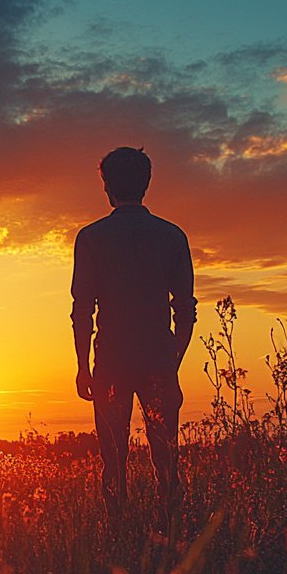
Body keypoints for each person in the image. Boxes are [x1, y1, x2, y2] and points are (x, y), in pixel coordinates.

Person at [70, 146, 197, 524]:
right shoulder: (172, 236)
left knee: (113, 456)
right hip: (158, 358)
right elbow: (185, 310)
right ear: (147, 183)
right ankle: (172, 530)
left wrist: (82, 366)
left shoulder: (91, 237)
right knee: (166, 453)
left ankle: (117, 531)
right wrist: (171, 359)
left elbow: (82, 308)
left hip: (110, 360)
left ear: (106, 186)